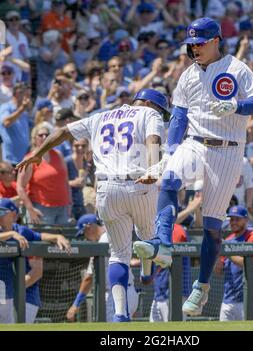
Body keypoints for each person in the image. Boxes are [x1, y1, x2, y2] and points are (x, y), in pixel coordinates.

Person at [132, 17, 253, 317]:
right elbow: (178, 116)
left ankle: (202, 286)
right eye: (191, 43)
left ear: (216, 40)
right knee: (167, 180)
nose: (194, 48)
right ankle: (163, 244)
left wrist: (237, 106)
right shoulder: (187, 75)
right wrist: (170, 149)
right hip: (194, 142)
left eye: (200, 42)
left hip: (228, 150)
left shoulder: (236, 68)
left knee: (212, 227)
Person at [16, 88, 168, 323]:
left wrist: (38, 152)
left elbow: (63, 132)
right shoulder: (150, 113)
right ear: (148, 103)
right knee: (149, 239)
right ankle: (148, 271)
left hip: (106, 189)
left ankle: (119, 314)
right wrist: (153, 168)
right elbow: (153, 140)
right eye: (161, 110)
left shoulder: (100, 116)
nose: (161, 115)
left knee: (118, 253)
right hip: (138, 182)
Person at [0, 198, 70, 324]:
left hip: (26, 295)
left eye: (2, 212)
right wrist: (11, 234)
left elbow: (40, 237)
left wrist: (57, 236)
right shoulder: (12, 233)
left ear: (14, 215)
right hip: (4, 291)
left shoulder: (22, 231)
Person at [66, 214, 139, 322]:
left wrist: (75, 304)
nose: (86, 238)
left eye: (84, 233)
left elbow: (88, 278)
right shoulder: (114, 235)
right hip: (130, 292)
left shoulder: (102, 241)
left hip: (115, 296)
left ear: (89, 227)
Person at [215, 205, 253, 321]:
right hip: (228, 299)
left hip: (251, 298)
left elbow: (249, 264)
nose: (234, 222)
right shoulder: (228, 240)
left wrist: (226, 250)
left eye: (237, 219)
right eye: (232, 219)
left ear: (246, 220)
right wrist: (217, 250)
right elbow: (218, 271)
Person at [16, 123, 70, 225]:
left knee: (64, 239)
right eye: (41, 135)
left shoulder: (59, 155)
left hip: (62, 208)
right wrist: (31, 210)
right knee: (45, 239)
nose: (44, 137)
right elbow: (20, 187)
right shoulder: (30, 159)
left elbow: (66, 182)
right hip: (41, 209)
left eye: (47, 135)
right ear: (34, 139)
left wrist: (69, 205)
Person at [149, 223, 191, 322]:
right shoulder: (156, 229)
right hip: (159, 294)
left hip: (175, 294)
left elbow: (169, 253)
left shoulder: (177, 229)